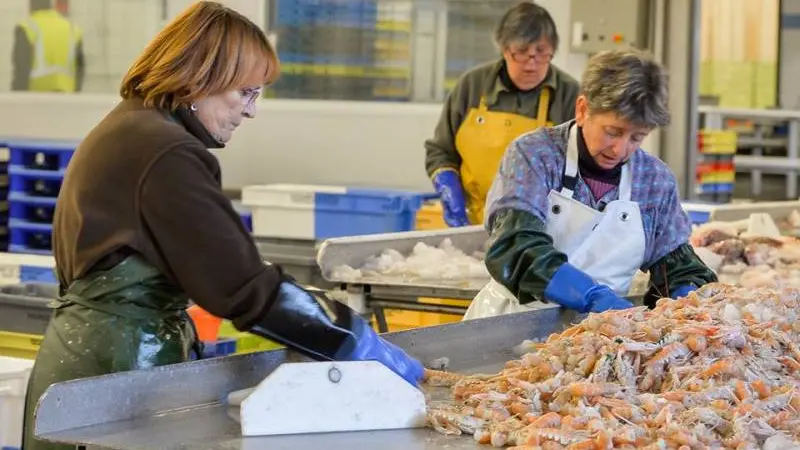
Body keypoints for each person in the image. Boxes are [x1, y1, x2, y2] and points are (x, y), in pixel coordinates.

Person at [22, 3, 423, 449]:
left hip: (92, 369)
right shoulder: (164, 152)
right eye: (246, 93)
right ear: (201, 79)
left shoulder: (133, 128)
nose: (250, 112)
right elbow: (243, 287)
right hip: (117, 373)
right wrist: (353, 340)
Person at [463, 49, 718, 320]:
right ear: (583, 110)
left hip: (605, 336)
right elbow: (514, 247)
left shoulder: (653, 180)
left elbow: (677, 267)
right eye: (613, 132)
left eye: (637, 137)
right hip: (511, 322)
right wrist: (589, 294)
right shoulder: (535, 155)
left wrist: (686, 300)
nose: (620, 149)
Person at [425, 2, 580, 227]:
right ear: (504, 49)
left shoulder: (570, 95)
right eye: (521, 52)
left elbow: (582, 168)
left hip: (541, 229)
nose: (531, 63)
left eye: (541, 52)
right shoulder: (472, 85)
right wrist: (448, 187)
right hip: (472, 223)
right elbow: (440, 150)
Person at [11, 0, 85, 92]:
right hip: (67, 97)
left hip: (35, 96)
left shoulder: (26, 27)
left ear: (30, 6)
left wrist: (17, 98)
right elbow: (80, 69)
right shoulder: (72, 29)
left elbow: (21, 69)